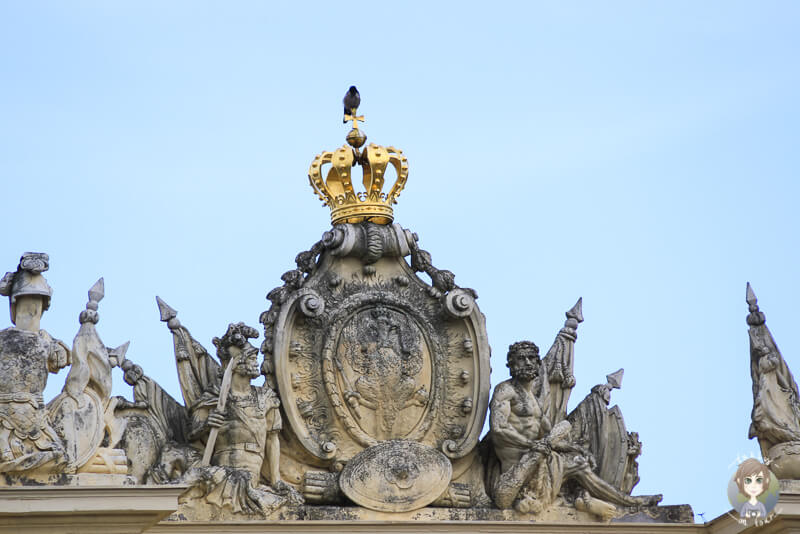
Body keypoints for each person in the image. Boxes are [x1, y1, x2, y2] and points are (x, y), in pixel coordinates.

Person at [181, 323, 300, 515]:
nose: (256, 361)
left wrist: (276, 479)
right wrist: (207, 423)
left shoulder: (266, 398)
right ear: (236, 364)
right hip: (220, 472)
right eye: (251, 357)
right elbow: (191, 432)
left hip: (250, 475)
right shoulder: (215, 397)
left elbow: (272, 439)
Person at [0, 253, 72, 474]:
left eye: (36, 303)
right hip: (6, 416)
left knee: (60, 459)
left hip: (35, 419)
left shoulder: (47, 341)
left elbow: (62, 358)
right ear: (15, 304)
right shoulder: (4, 339)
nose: (31, 309)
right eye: (27, 303)